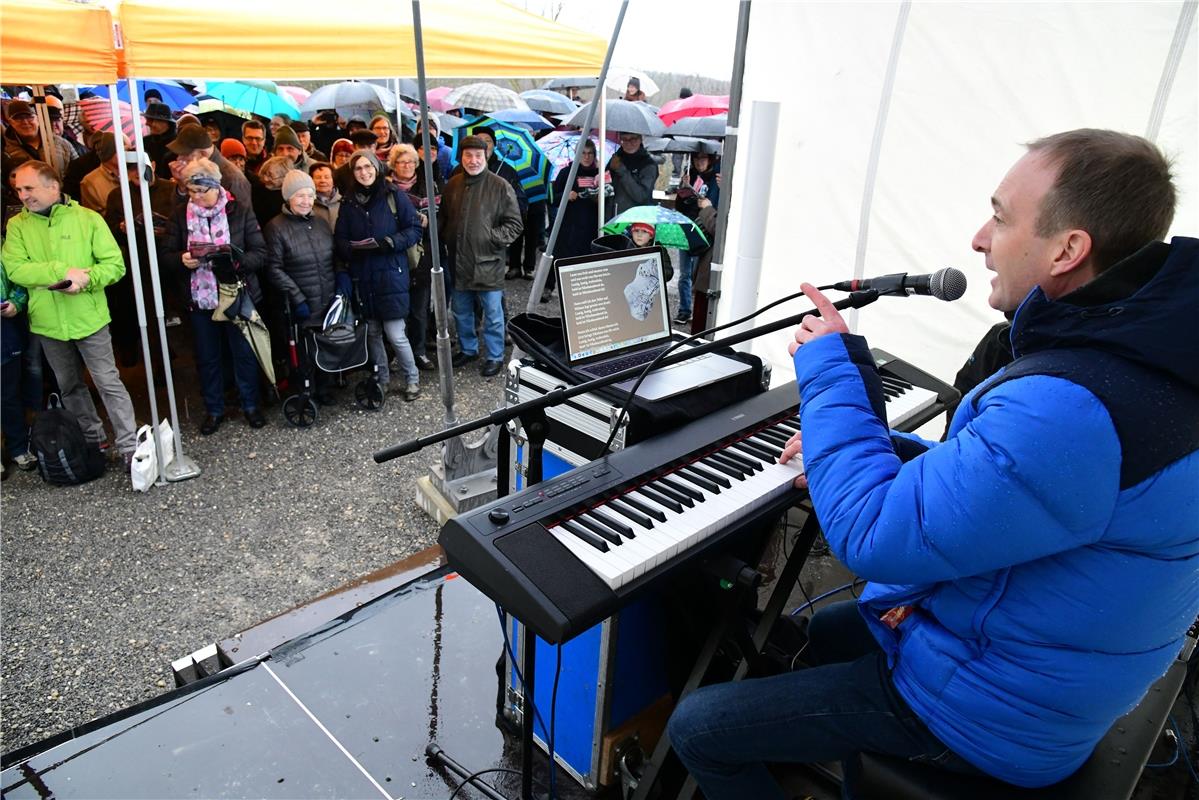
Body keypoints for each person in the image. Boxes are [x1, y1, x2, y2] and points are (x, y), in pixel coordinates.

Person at [666, 129, 1199, 797]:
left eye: (1000, 218)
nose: (978, 239)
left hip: (995, 720)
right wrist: (886, 448)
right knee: (830, 629)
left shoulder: (1077, 405)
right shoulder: (1146, 369)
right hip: (1046, 673)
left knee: (699, 727)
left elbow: (872, 536)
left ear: (1067, 250)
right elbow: (1015, 486)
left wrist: (829, 365)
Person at [3, 161, 139, 468]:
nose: (23, 195)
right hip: (48, 323)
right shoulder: (17, 226)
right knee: (69, 385)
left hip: (88, 317)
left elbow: (115, 265)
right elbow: (14, 269)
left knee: (107, 381)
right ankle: (94, 440)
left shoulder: (87, 219)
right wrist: (62, 271)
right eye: (19, 189)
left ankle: (129, 444)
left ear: (53, 186)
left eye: (29, 188)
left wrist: (86, 279)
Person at [162, 158, 268, 435]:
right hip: (199, 297)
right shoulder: (178, 215)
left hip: (236, 292)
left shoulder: (240, 210)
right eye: (191, 191)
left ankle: (250, 405)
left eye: (202, 190)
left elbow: (260, 252)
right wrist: (181, 259)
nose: (196, 197)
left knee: (243, 353)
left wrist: (233, 260)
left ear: (216, 186)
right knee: (208, 357)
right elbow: (165, 255)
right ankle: (214, 409)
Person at [334, 150, 424, 401]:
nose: (364, 172)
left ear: (376, 167)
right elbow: (340, 238)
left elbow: (414, 229)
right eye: (358, 168)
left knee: (395, 334)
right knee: (372, 334)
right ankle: (382, 378)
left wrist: (389, 242)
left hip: (391, 274)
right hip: (363, 276)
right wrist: (350, 248)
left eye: (368, 167)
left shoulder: (393, 194)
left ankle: (412, 379)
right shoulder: (348, 202)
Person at [440, 136, 523, 378]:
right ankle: (468, 349)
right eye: (468, 155)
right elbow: (444, 218)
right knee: (461, 311)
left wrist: (491, 238)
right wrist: (446, 237)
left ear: (486, 156)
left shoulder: (500, 186)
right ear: (461, 157)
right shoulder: (453, 184)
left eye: (478, 155)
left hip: (489, 262)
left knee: (493, 314)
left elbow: (515, 224)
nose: (473, 160)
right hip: (458, 261)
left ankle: (495, 355)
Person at [264, 170, 338, 404]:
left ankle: (325, 388)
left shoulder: (320, 223)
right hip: (301, 300)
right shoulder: (275, 227)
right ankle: (307, 389)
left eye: (310, 195)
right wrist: (297, 296)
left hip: (326, 294)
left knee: (325, 343)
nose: (306, 201)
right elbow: (273, 268)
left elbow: (332, 256)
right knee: (304, 349)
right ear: (288, 197)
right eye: (300, 196)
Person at [389, 143, 440, 372]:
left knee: (420, 308)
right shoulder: (386, 189)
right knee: (397, 308)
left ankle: (418, 351)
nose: (407, 165)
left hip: (423, 255)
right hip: (396, 257)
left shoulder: (429, 184)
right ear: (393, 165)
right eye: (401, 162)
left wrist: (430, 223)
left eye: (411, 161)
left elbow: (441, 217)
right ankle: (397, 353)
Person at [547, 137, 609, 303]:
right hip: (567, 223)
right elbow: (551, 198)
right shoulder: (567, 172)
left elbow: (608, 198)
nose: (586, 157)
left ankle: (581, 291)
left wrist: (599, 198)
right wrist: (565, 196)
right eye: (583, 153)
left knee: (585, 258)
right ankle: (548, 287)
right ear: (577, 154)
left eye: (590, 153)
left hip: (590, 225)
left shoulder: (599, 174)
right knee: (558, 254)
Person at [674, 150, 721, 324]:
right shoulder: (690, 176)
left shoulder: (716, 180)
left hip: (704, 233)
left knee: (697, 275)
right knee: (684, 274)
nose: (699, 161)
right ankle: (685, 310)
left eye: (703, 158)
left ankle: (695, 309)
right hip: (687, 228)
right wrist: (683, 189)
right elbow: (680, 206)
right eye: (696, 158)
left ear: (710, 159)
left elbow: (716, 210)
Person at [1, 260, 35, 472]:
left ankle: (18, 447)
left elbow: (20, 280)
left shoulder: (5, 249)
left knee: (9, 395)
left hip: (5, 329)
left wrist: (15, 302)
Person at [167, 125, 252, 208]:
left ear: (202, 154)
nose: (179, 158)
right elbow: (178, 212)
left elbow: (238, 218)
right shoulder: (195, 170)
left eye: (184, 154)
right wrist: (182, 186)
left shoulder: (232, 179)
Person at [2, 100, 75, 177]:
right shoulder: (5, 151)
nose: (25, 122)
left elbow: (78, 171)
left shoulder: (61, 143)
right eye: (18, 119)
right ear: (10, 122)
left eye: (30, 117)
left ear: (38, 119)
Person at [607, 132, 657, 215]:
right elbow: (606, 186)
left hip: (635, 219)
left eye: (633, 139)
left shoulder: (648, 164)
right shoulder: (616, 157)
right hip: (611, 216)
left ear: (640, 139)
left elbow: (641, 196)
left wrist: (621, 170)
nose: (628, 142)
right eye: (624, 139)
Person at [143, 102, 177, 180]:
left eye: (150, 120)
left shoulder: (179, 143)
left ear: (164, 122)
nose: (147, 123)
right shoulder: (145, 142)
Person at [309, 161, 342, 231]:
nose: (322, 180)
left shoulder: (344, 202)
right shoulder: (307, 204)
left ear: (333, 180)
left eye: (327, 177)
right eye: (318, 177)